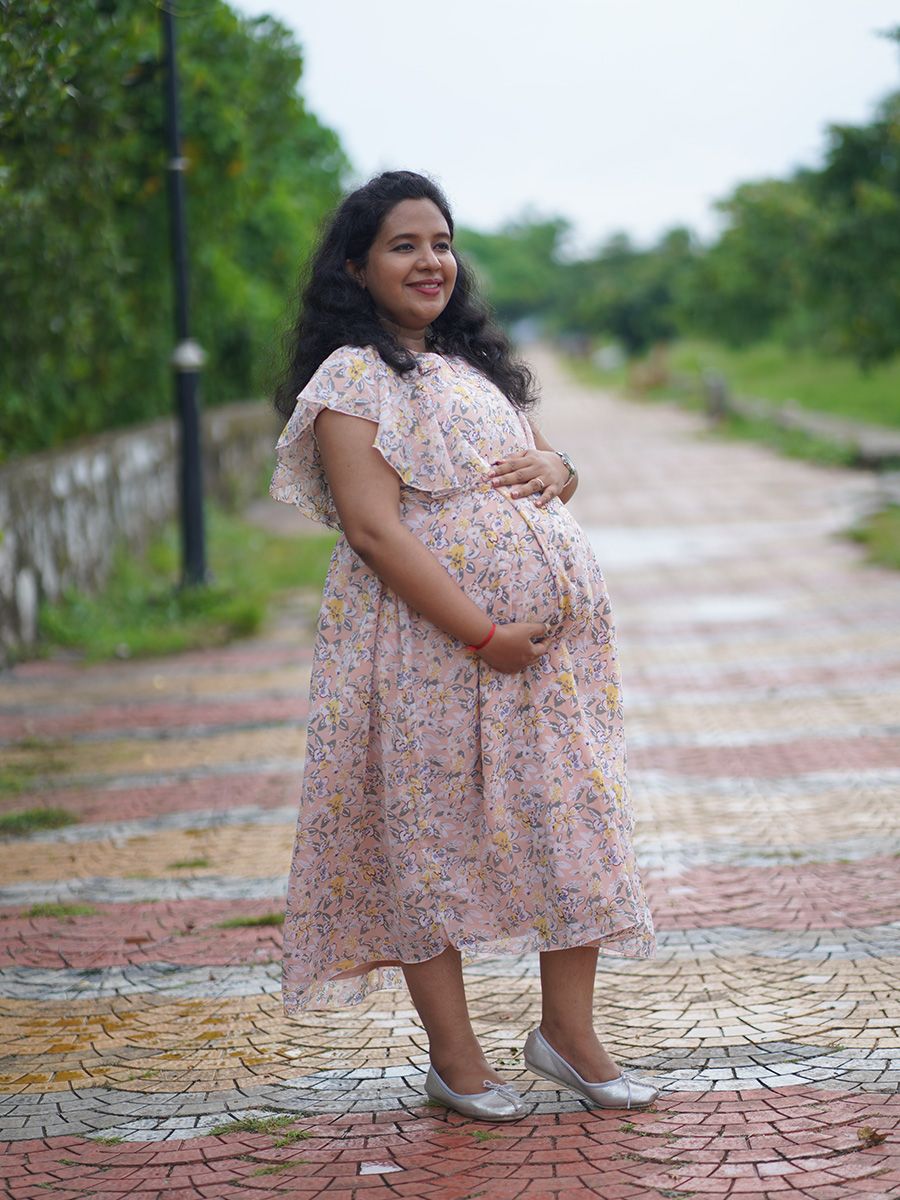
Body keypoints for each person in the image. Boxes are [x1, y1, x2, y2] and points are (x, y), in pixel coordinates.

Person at [270, 169, 658, 1122]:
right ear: (356, 268)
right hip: (424, 659)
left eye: (441, 242)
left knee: (578, 829)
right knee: (425, 847)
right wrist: (483, 633)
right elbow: (372, 528)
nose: (431, 260)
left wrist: (564, 466)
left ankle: (567, 1034)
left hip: (540, 668)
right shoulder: (353, 377)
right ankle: (456, 1060)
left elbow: (536, 470)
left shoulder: (470, 363)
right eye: (404, 245)